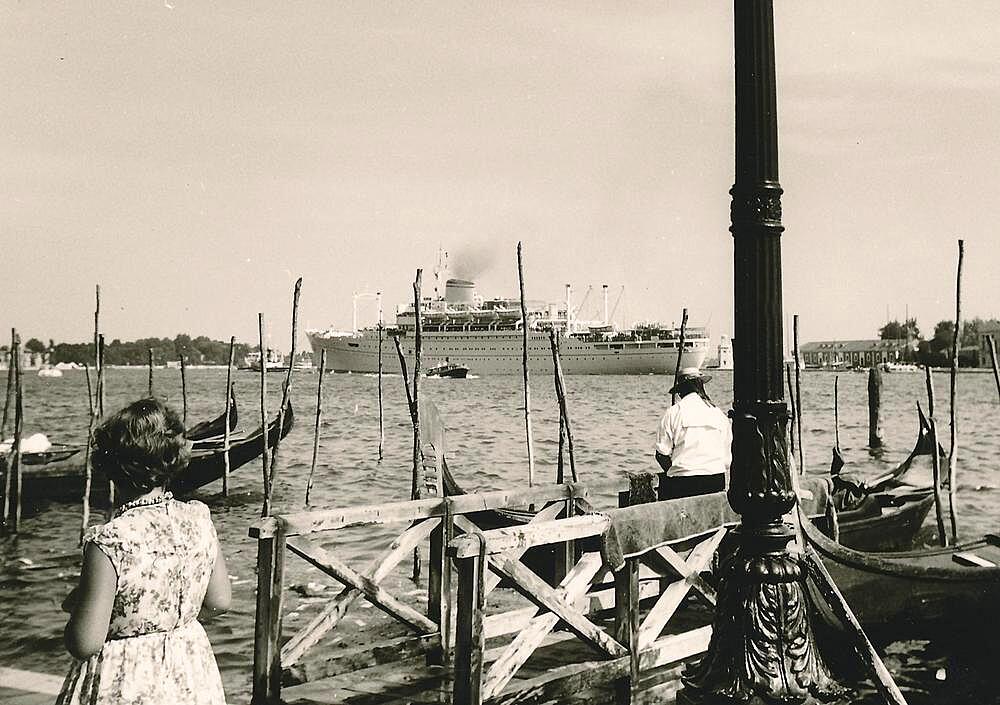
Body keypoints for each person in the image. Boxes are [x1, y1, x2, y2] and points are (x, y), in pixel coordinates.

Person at [57, 398, 231, 705]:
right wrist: (166, 623)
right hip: (189, 670)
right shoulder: (198, 518)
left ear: (111, 467)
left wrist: (77, 610)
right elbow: (219, 601)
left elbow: (85, 643)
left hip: (127, 678)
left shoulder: (111, 540)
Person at [654, 367, 732, 500]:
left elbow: (661, 454)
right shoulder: (718, 414)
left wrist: (674, 469)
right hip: (715, 480)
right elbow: (726, 459)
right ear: (701, 386)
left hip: (683, 483)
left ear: (680, 391)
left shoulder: (674, 412)